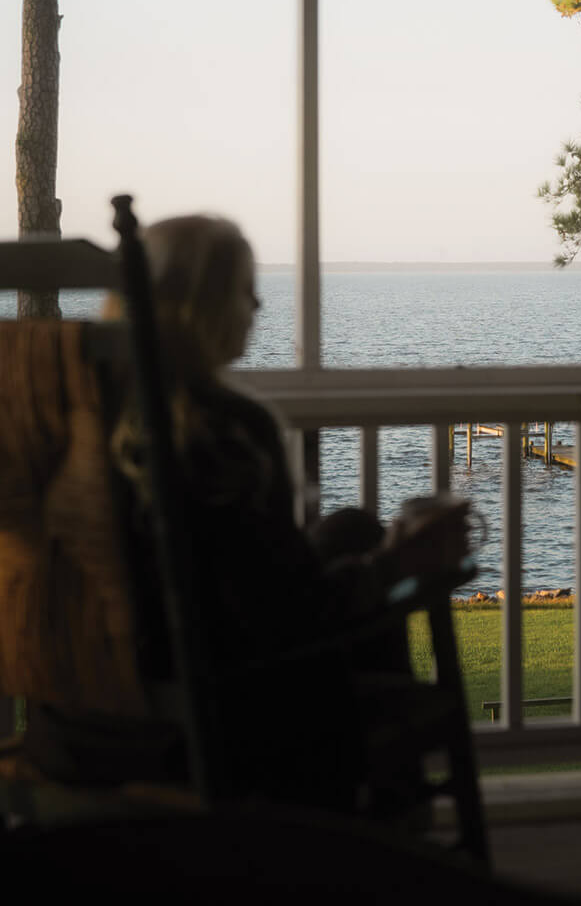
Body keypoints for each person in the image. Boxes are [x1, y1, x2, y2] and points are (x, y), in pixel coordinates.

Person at [24, 214, 473, 811]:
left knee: (350, 529)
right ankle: (379, 816)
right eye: (245, 288)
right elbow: (293, 620)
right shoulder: (221, 433)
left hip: (70, 724)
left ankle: (385, 811)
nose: (259, 304)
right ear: (200, 306)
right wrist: (398, 565)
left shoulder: (71, 429)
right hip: (213, 725)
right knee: (373, 575)